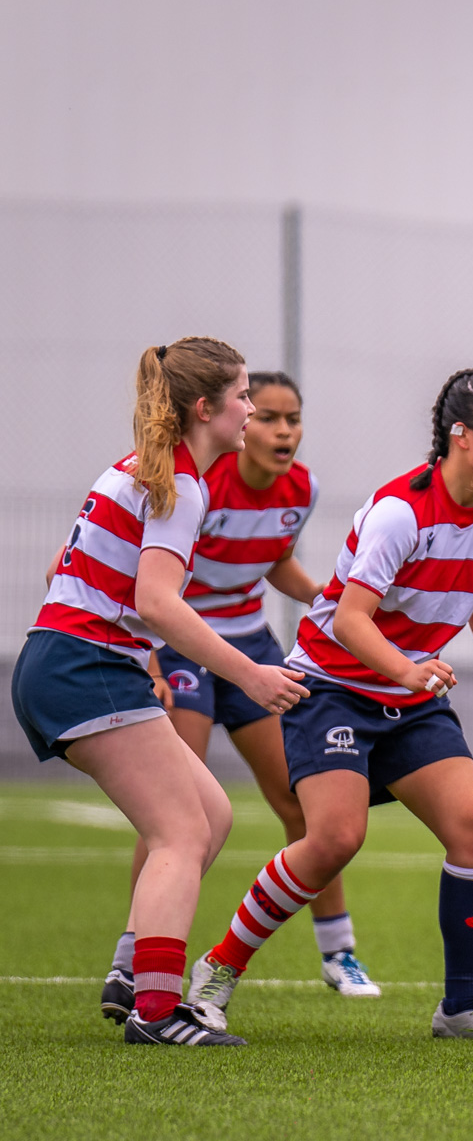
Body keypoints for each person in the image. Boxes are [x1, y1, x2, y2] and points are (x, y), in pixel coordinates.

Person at [186, 367, 473, 1042]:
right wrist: (408, 670)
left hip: (409, 701)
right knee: (333, 838)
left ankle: (460, 1010)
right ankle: (216, 970)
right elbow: (350, 620)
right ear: (461, 435)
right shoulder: (402, 510)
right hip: (330, 691)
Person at [14, 336, 307, 1045]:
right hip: (81, 666)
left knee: (209, 815)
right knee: (179, 830)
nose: (253, 409)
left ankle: (130, 971)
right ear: (204, 408)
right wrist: (251, 672)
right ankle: (154, 1012)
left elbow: (73, 567)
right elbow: (156, 600)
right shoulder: (178, 482)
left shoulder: (148, 470)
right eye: (242, 397)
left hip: (76, 659)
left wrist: (136, 655)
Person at [99, 371, 379, 1027]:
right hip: (184, 644)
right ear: (237, 422)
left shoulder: (299, 488)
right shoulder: (197, 483)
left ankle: (339, 951)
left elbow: (271, 558)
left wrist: (318, 594)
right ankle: (130, 957)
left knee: (300, 799)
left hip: (251, 644)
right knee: (174, 807)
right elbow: (160, 583)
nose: (283, 429)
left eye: (293, 418)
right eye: (267, 415)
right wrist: (154, 658)